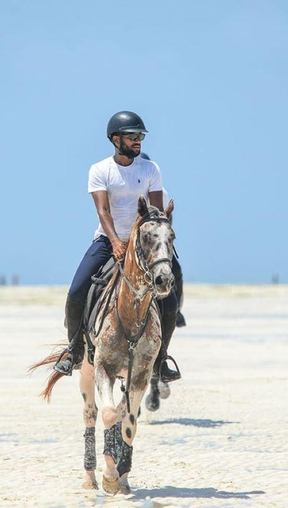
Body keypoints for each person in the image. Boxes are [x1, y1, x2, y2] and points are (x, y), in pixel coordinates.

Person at [53, 111, 182, 383]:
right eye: (132, 136)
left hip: (143, 244)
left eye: (140, 137)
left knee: (169, 301)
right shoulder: (100, 170)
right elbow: (103, 211)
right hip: (107, 239)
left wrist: (149, 243)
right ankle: (74, 350)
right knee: (77, 291)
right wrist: (114, 242)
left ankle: (161, 359)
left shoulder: (151, 169)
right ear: (115, 139)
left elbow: (155, 212)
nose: (138, 141)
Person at [139, 152, 186, 328]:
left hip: (152, 243)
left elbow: (165, 220)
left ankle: (177, 311)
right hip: (124, 239)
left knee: (177, 270)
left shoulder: (161, 193)